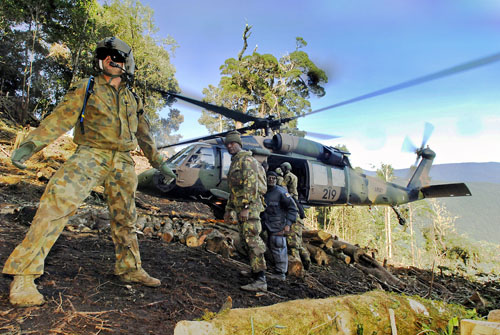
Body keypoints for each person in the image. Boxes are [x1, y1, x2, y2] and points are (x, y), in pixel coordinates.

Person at [4, 37, 176, 307]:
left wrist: (160, 163)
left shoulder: (134, 99)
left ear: (127, 63)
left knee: (126, 219)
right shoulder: (88, 87)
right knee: (55, 205)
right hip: (90, 154)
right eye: (105, 56)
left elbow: (145, 136)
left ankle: (129, 268)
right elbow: (61, 117)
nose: (110, 60)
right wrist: (30, 145)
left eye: (116, 56)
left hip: (123, 161)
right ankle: (24, 275)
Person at [223, 131, 268, 292]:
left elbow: (252, 186)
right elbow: (234, 190)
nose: (229, 146)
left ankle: (261, 280)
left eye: (232, 143)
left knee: (252, 240)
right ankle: (254, 270)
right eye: (227, 144)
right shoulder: (236, 162)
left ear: (239, 144)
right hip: (241, 208)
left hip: (250, 209)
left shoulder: (247, 160)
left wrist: (246, 207)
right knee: (244, 241)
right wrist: (229, 210)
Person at [261, 171, 297, 281]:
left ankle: (281, 273)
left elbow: (292, 208)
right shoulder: (262, 191)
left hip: (278, 226)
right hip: (265, 225)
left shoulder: (281, 192)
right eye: (269, 178)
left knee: (278, 245)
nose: (271, 180)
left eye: (273, 178)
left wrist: (288, 224)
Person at [280, 162, 311, 271]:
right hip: (295, 197)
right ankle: (306, 258)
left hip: (291, 197)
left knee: (293, 245)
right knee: (298, 243)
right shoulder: (294, 176)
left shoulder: (287, 176)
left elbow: (283, 186)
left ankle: (299, 265)